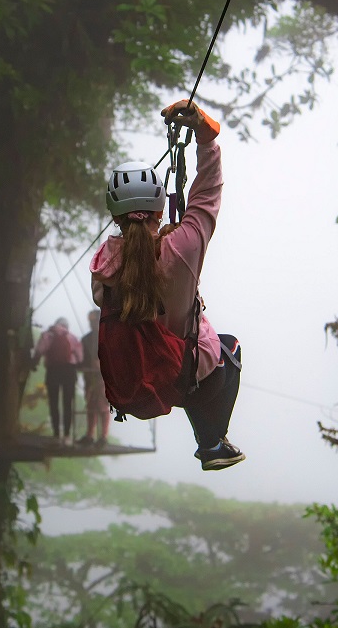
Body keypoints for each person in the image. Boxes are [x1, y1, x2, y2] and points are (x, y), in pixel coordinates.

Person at [89, 99, 245, 471]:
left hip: (138, 385)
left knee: (198, 354)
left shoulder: (102, 269)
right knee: (229, 349)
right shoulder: (185, 246)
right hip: (185, 378)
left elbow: (124, 280)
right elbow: (207, 195)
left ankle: (209, 440)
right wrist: (206, 138)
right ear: (162, 206)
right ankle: (210, 443)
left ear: (115, 214)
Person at [32, 317, 83, 445]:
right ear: (67, 326)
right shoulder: (72, 337)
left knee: (53, 403)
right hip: (69, 371)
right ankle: (66, 436)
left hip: (53, 371)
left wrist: (34, 363)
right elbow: (80, 357)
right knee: (67, 404)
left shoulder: (47, 335)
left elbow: (39, 351)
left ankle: (56, 435)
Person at [76, 309, 110, 447]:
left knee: (102, 406)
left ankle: (103, 437)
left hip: (103, 377)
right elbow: (82, 358)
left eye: (94, 321)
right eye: (91, 321)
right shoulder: (86, 339)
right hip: (90, 377)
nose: (92, 324)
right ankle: (90, 435)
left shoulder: (108, 337)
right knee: (91, 405)